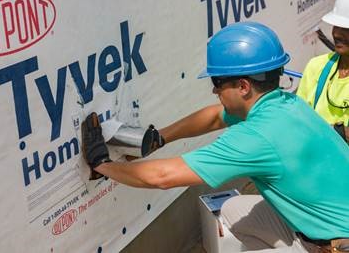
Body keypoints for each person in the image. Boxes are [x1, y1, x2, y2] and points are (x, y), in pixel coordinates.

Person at [82, 22, 349, 252]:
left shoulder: (257, 137)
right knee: (232, 211)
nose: (214, 91)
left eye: (217, 83)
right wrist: (159, 138)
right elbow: (214, 116)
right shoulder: (286, 104)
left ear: (243, 86)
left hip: (335, 246)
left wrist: (103, 165)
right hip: (334, 229)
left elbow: (162, 177)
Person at [297, 0, 349, 143]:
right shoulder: (317, 66)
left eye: (346, 29)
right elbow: (299, 120)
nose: (337, 34)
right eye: (336, 26)